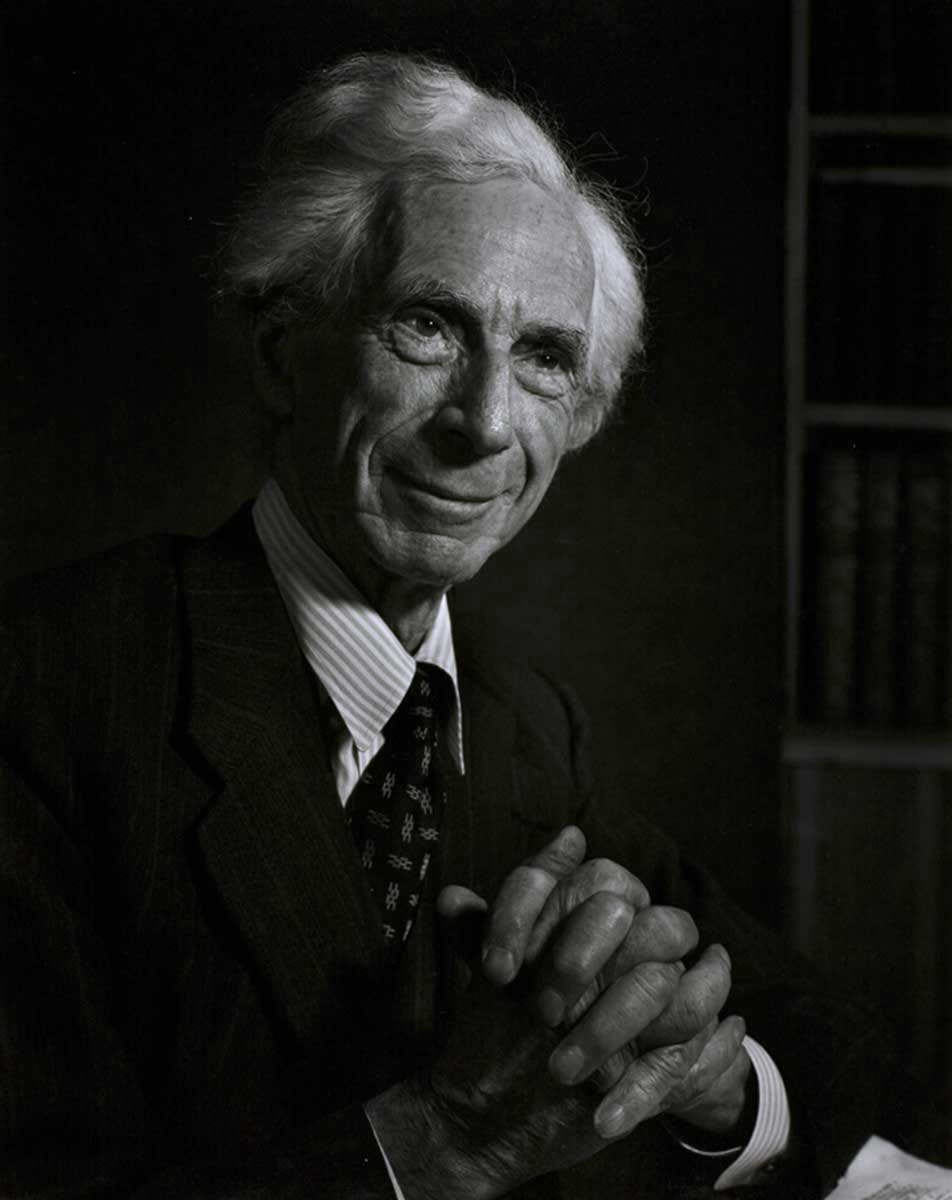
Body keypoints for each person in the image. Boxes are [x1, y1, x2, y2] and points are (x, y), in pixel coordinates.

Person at [0, 52, 902, 1199]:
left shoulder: (525, 724)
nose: (485, 424)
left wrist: (711, 1078)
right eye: (427, 326)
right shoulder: (45, 686)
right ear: (281, 354)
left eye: (544, 359)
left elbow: (823, 1032)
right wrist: (442, 1143)